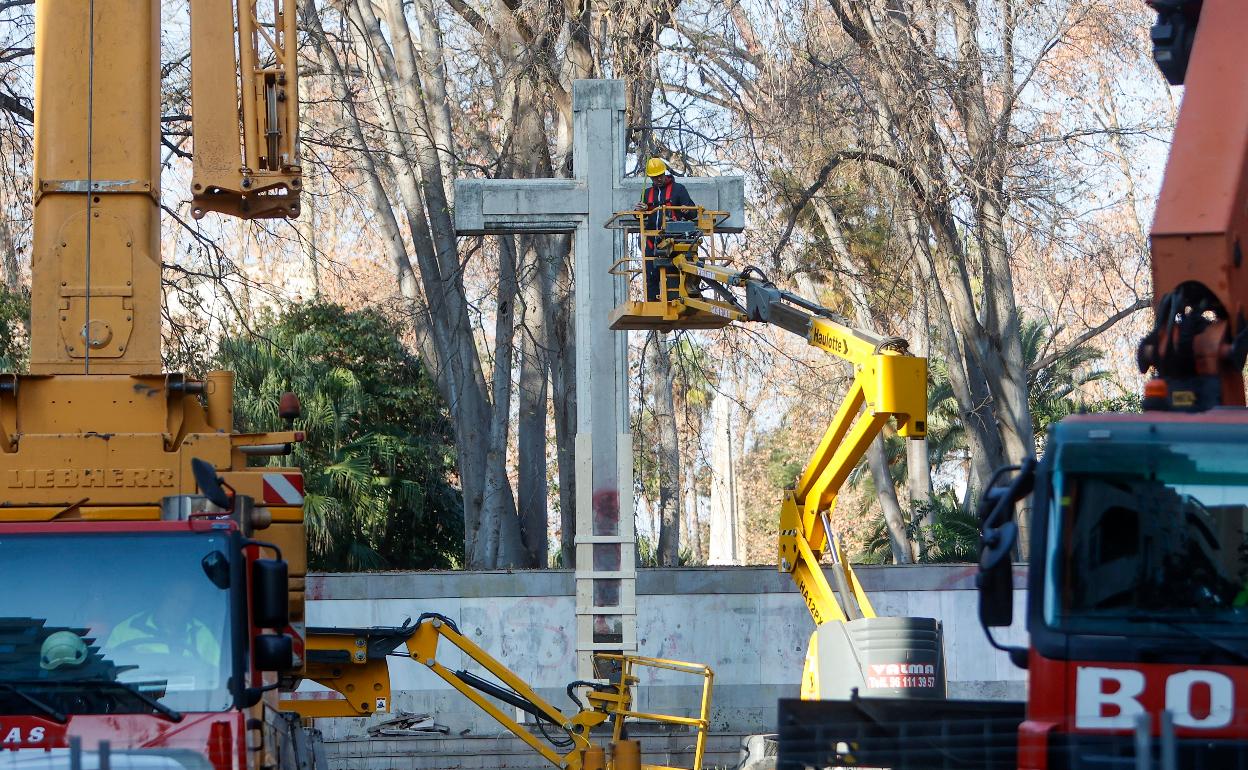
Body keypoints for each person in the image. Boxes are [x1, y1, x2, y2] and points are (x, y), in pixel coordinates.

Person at [638, 158, 696, 301]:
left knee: (673, 274)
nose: (658, 179)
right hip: (653, 242)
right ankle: (652, 304)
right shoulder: (647, 193)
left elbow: (694, 212)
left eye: (660, 175)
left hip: (673, 243)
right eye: (655, 177)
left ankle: (675, 301)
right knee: (651, 275)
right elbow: (637, 215)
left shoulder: (678, 190)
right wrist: (640, 210)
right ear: (650, 177)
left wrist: (687, 210)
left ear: (665, 173)